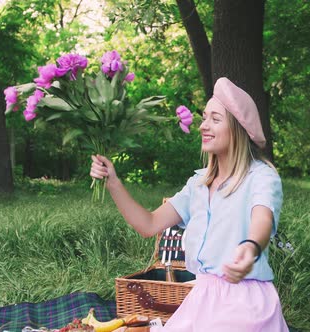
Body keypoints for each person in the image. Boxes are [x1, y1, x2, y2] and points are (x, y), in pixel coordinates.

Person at [90, 77, 289, 332]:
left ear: (238, 129)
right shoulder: (198, 184)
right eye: (204, 118)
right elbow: (148, 225)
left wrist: (250, 248)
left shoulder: (261, 177)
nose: (203, 126)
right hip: (201, 297)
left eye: (215, 119)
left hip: (245, 302)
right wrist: (113, 183)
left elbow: (262, 219)